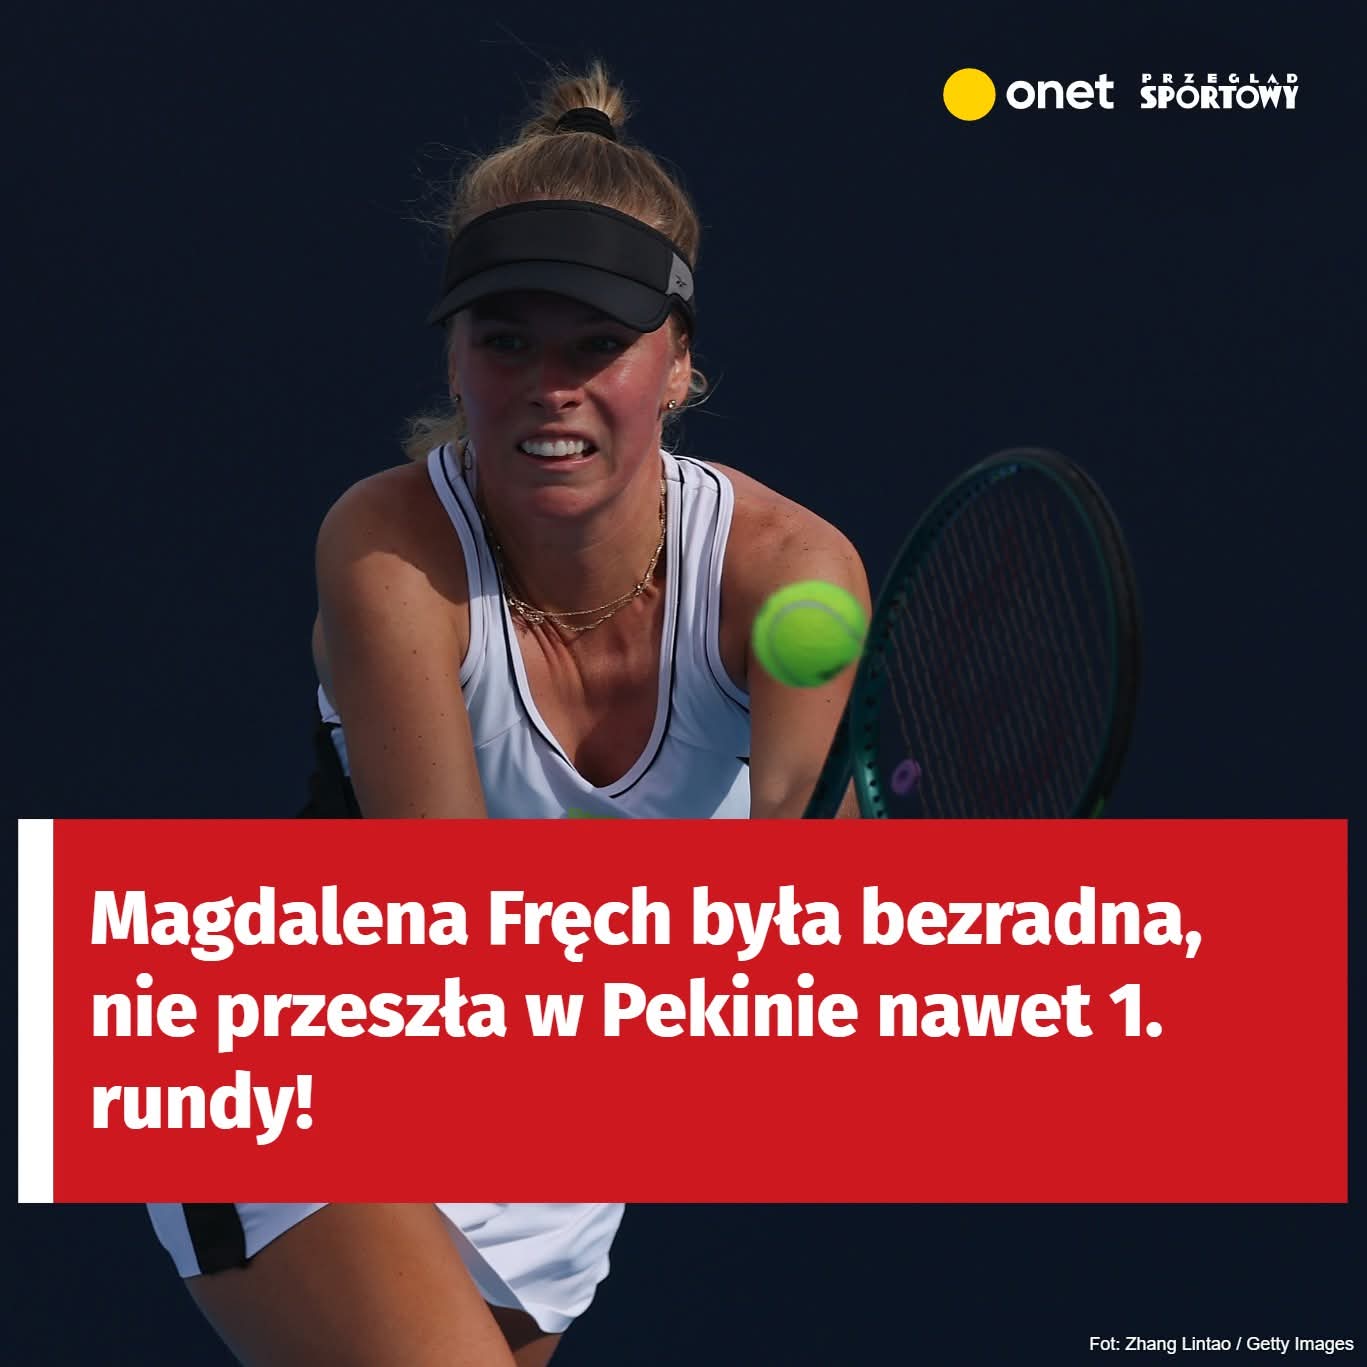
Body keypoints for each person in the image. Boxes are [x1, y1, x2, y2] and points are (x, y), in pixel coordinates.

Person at [148, 60, 869, 1366]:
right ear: (454, 355)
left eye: (599, 344)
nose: (551, 384)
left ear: (680, 363)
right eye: (507, 340)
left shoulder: (790, 579)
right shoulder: (389, 550)